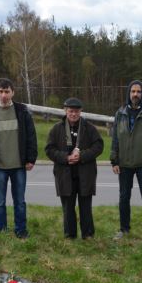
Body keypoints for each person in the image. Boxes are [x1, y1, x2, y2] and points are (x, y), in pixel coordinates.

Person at [0, 78, 37, 239]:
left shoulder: (22, 111)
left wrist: (31, 158)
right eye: (0, 91)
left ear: (13, 92)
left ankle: (21, 231)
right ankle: (2, 231)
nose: (3, 95)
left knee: (19, 202)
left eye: (7, 91)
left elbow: (31, 136)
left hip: (19, 166)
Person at [110, 80, 142, 244]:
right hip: (124, 164)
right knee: (124, 197)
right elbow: (115, 139)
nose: (135, 94)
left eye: (138, 91)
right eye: (133, 91)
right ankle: (124, 229)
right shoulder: (120, 113)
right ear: (128, 93)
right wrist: (114, 160)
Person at [46, 97, 104, 239]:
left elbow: (99, 146)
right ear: (65, 111)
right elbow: (49, 149)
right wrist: (66, 157)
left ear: (81, 111)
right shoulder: (56, 129)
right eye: (70, 111)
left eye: (76, 111)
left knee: (85, 207)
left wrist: (82, 155)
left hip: (85, 174)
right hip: (65, 175)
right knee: (68, 208)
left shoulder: (89, 128)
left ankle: (88, 234)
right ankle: (70, 235)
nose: (73, 114)